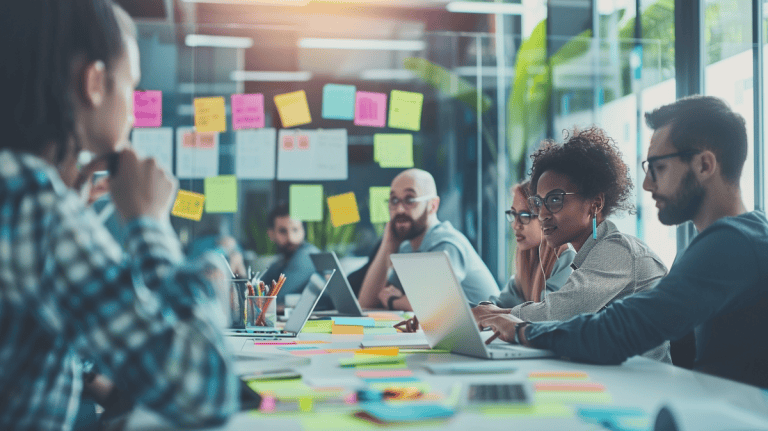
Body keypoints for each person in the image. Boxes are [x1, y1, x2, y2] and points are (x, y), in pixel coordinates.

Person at [0, 2, 238, 430]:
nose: (134, 107)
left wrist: (72, 203)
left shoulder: (18, 189)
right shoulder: (33, 203)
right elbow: (204, 391)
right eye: (131, 85)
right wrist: (148, 224)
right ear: (93, 82)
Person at [478, 96, 768, 387]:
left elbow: (618, 330)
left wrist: (519, 330)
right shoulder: (721, 242)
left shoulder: (732, 245)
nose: (647, 184)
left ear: (705, 165)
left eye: (658, 167)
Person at [475, 127, 670, 363]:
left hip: (644, 382)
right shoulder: (589, 255)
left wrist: (497, 316)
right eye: (539, 202)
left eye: (555, 200)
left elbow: (559, 313)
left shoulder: (618, 249)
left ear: (595, 204)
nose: (543, 214)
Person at [358, 169, 499, 311]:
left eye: (409, 200)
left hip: (488, 332)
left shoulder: (446, 244)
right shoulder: (407, 248)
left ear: (433, 205)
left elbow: (432, 306)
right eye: (394, 200)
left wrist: (393, 300)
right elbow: (367, 303)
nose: (399, 209)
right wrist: (387, 245)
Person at [472, 181, 576, 319]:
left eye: (524, 216)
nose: (515, 225)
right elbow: (501, 302)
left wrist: (494, 312)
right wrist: (482, 309)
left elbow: (546, 314)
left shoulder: (568, 260)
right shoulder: (528, 258)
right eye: (513, 215)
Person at [261, 202, 321, 305]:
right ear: (271, 234)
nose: (290, 238)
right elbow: (255, 294)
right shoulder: (279, 264)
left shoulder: (308, 255)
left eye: (295, 230)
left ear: (303, 230)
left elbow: (276, 299)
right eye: (283, 231)